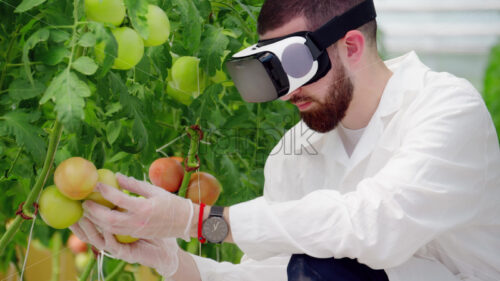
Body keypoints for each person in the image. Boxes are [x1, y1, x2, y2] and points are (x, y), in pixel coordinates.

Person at [70, 0, 500, 280]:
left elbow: (374, 226)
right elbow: (275, 273)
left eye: (297, 66)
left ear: (350, 46)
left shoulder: (444, 107)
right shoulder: (292, 153)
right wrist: (171, 261)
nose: (288, 92)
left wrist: (197, 221)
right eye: (272, 74)